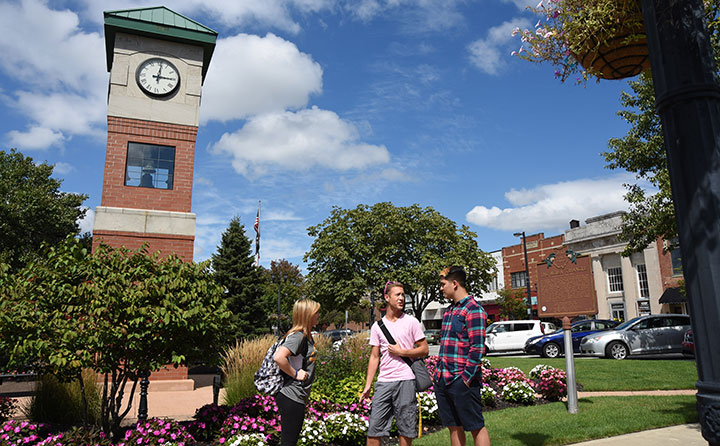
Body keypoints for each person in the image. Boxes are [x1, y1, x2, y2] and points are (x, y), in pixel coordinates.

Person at [360, 281, 429, 446]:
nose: (401, 298)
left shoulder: (411, 322)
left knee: (406, 429)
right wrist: (368, 385)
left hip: (406, 380)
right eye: (397, 295)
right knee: (374, 429)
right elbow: (374, 357)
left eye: (403, 295)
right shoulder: (378, 326)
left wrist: (403, 352)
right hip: (384, 382)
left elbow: (424, 349)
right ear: (387, 297)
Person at [435, 266, 490, 446]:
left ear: (455, 283)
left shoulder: (474, 310)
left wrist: (465, 379)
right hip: (444, 379)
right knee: (453, 426)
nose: (441, 288)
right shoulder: (449, 312)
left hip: (462, 381)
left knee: (475, 426)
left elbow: (477, 348)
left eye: (443, 284)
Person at [273, 299, 321, 446]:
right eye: (316, 312)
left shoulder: (304, 336)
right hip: (292, 395)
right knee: (289, 442)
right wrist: (295, 374)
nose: (319, 315)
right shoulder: (298, 336)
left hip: (295, 396)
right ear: (307, 315)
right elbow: (279, 357)